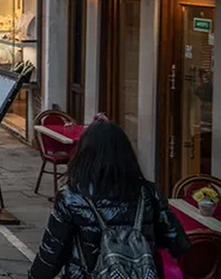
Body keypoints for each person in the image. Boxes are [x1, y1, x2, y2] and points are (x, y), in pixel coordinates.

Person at [28, 118, 189, 279]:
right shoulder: (147, 192)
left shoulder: (72, 197)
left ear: (84, 154)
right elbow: (178, 243)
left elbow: (51, 254)